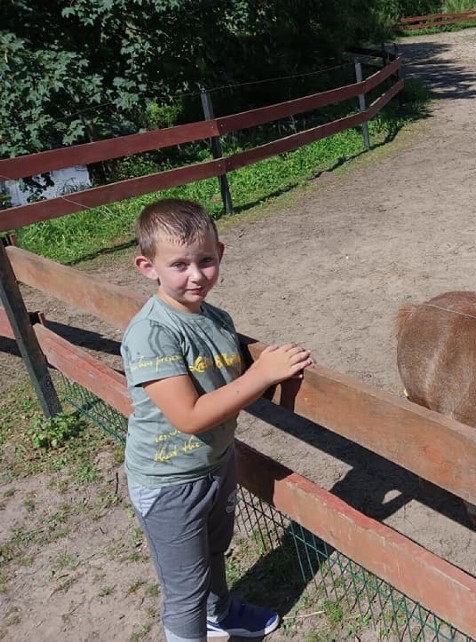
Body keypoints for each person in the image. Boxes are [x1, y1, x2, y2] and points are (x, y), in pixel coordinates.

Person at [120, 198, 312, 641]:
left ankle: (220, 614)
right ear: (148, 267)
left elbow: (226, 381)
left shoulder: (217, 319)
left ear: (220, 254)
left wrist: (278, 372)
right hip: (168, 481)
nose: (195, 275)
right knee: (184, 587)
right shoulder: (153, 332)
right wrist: (262, 373)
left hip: (215, 462)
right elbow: (188, 416)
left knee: (215, 551)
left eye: (205, 260)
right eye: (179, 264)